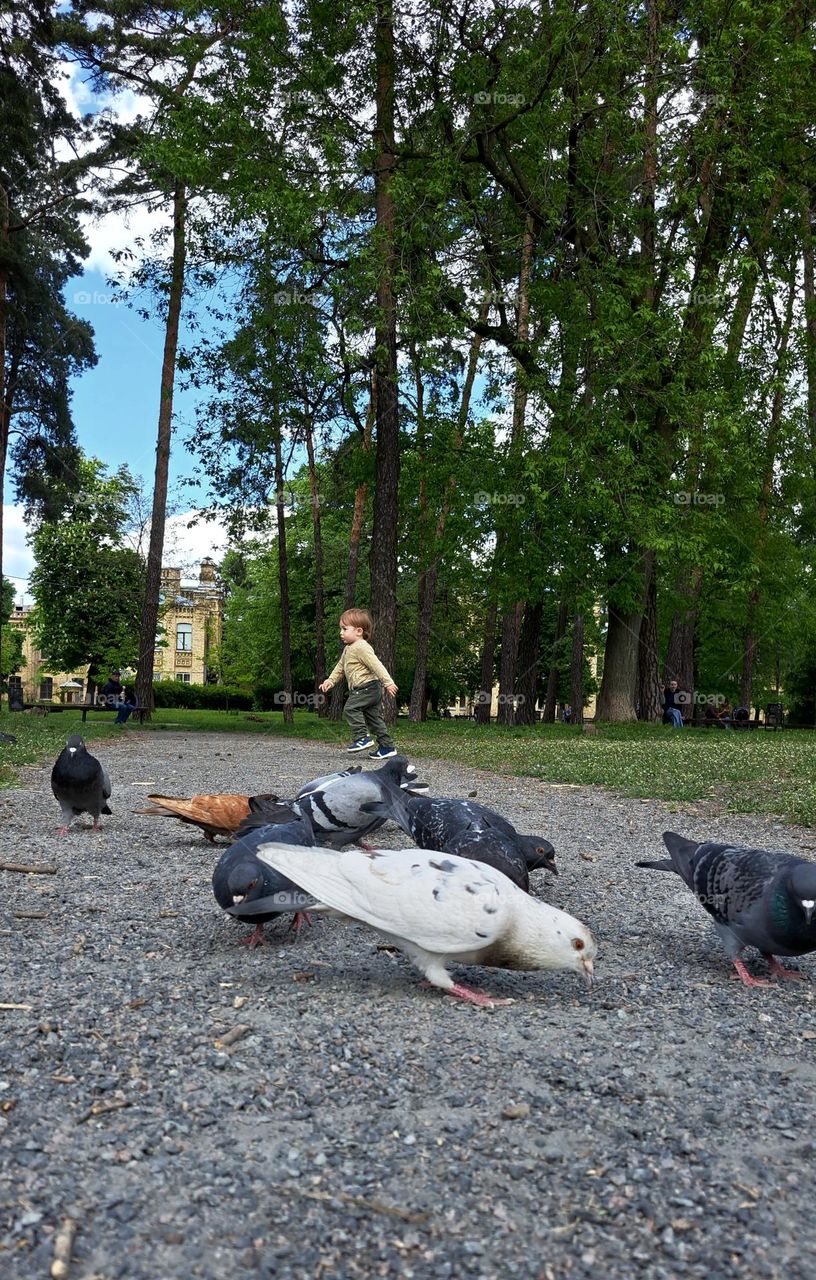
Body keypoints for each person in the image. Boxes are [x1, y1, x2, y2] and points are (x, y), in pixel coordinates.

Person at [319, 608, 399, 758]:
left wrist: (388, 682)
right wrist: (330, 680)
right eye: (340, 629)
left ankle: (362, 737)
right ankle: (387, 747)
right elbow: (340, 667)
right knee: (374, 719)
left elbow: (376, 665)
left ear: (359, 631)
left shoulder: (361, 647)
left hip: (366, 688)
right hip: (369, 689)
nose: (340, 633)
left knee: (350, 708)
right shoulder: (348, 649)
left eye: (344, 629)